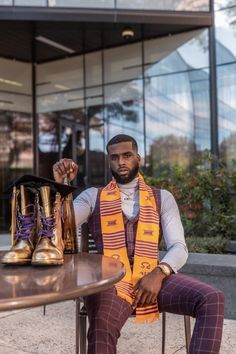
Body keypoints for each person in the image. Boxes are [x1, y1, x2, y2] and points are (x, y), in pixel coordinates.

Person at [53, 134, 224, 354]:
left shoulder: (163, 197)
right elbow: (60, 228)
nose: (121, 162)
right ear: (109, 162)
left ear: (139, 158)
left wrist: (159, 272)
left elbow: (179, 247)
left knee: (211, 298)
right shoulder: (92, 197)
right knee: (102, 327)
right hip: (109, 283)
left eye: (127, 155)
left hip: (153, 279)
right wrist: (60, 185)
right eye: (114, 157)